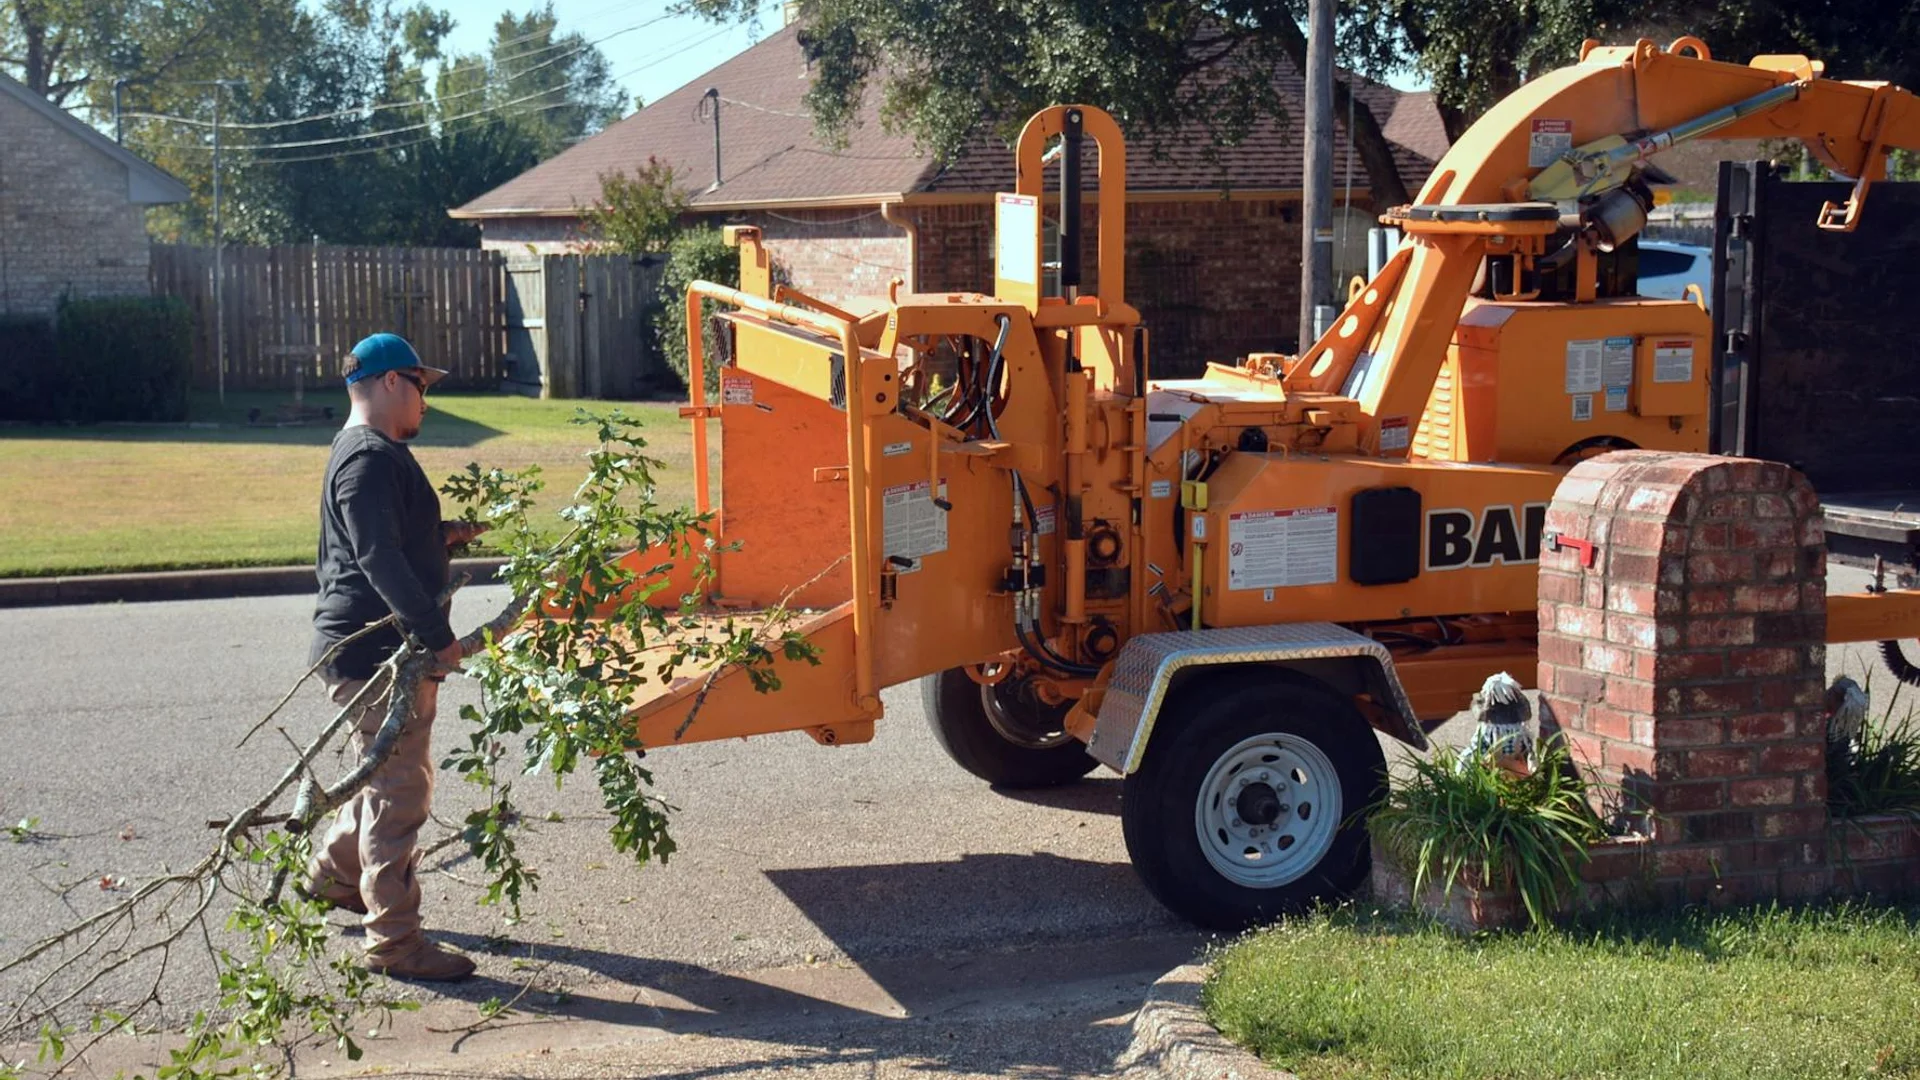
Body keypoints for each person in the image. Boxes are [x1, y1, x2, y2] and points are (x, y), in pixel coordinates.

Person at [300, 332, 485, 982]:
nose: (425, 399)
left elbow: (380, 539)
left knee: (382, 772)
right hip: (377, 652)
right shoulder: (368, 457)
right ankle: (395, 943)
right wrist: (437, 636)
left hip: (373, 648)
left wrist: (440, 536)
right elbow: (375, 556)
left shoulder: (367, 453)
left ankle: (333, 876)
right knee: (401, 790)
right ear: (387, 382)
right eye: (419, 384)